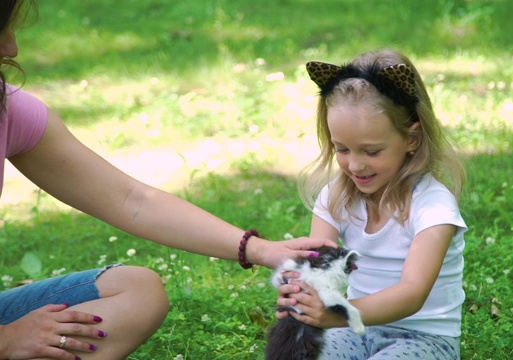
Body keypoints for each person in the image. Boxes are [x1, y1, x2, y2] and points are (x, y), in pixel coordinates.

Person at [0, 1, 334, 359]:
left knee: (138, 291)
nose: (11, 47)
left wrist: (260, 249)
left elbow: (131, 199)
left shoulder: (11, 111)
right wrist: (7, 339)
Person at [276, 49, 467, 359]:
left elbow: (412, 293)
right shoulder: (337, 196)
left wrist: (338, 314)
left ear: (412, 139)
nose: (355, 165)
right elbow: (318, 263)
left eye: (372, 152)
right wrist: (301, 291)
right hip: (355, 330)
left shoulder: (433, 207)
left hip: (425, 339)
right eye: (342, 149)